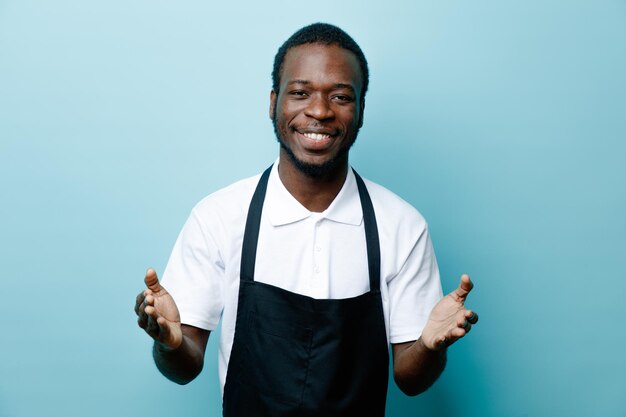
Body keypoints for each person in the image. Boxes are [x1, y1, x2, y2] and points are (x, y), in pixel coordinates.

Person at [134, 22, 478, 417]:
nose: (319, 111)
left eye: (341, 96)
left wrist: (430, 348)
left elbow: (411, 380)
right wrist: (169, 343)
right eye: (299, 93)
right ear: (273, 102)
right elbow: (184, 367)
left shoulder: (401, 225)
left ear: (361, 110)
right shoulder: (219, 216)